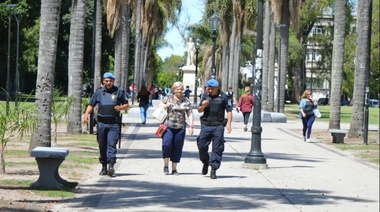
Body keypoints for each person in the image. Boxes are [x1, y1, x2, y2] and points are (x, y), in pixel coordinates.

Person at [83, 72, 129, 177]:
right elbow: (91, 104)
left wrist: (120, 108)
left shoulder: (119, 92)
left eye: (110, 81)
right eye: (106, 81)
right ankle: (104, 167)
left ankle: (111, 166)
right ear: (103, 81)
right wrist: (86, 114)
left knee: (111, 144)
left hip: (113, 124)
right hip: (101, 123)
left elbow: (126, 104)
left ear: (113, 81)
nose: (108, 83)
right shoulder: (99, 92)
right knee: (102, 145)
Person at [197, 79, 232, 179]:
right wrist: (203, 105)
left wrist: (229, 124)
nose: (209, 89)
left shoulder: (223, 96)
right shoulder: (205, 95)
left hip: (218, 126)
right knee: (201, 145)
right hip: (206, 125)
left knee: (217, 148)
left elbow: (229, 111)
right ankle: (205, 162)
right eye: (208, 87)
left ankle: (214, 169)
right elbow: (199, 110)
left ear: (217, 88)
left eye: (211, 88)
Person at [159, 82, 194, 175]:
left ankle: (174, 169)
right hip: (167, 126)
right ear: (173, 89)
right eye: (177, 89)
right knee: (167, 144)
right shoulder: (168, 97)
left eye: (181, 89)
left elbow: (190, 113)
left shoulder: (186, 100)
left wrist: (191, 126)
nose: (179, 91)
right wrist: (166, 105)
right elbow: (160, 105)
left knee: (177, 147)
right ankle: (166, 165)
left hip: (180, 127)